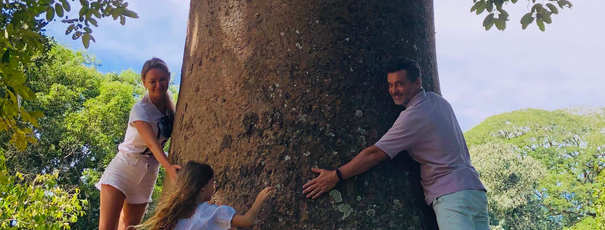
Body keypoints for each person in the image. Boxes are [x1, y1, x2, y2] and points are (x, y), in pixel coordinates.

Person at [303, 57, 489, 230]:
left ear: (417, 82)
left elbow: (375, 154)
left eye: (400, 84)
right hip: (474, 191)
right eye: (390, 85)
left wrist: (336, 175)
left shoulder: (414, 115)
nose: (393, 90)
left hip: (452, 195)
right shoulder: (439, 101)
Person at [97, 58, 182, 230]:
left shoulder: (169, 102)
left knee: (130, 227)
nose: (158, 84)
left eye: (162, 79)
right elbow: (152, 144)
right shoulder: (140, 109)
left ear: (169, 77)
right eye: (152, 81)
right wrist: (170, 168)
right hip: (125, 168)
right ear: (144, 82)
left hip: (148, 172)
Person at [139, 161, 276, 230]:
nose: (214, 187)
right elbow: (247, 220)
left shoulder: (174, 219)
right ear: (203, 186)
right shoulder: (212, 212)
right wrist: (259, 201)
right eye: (212, 183)